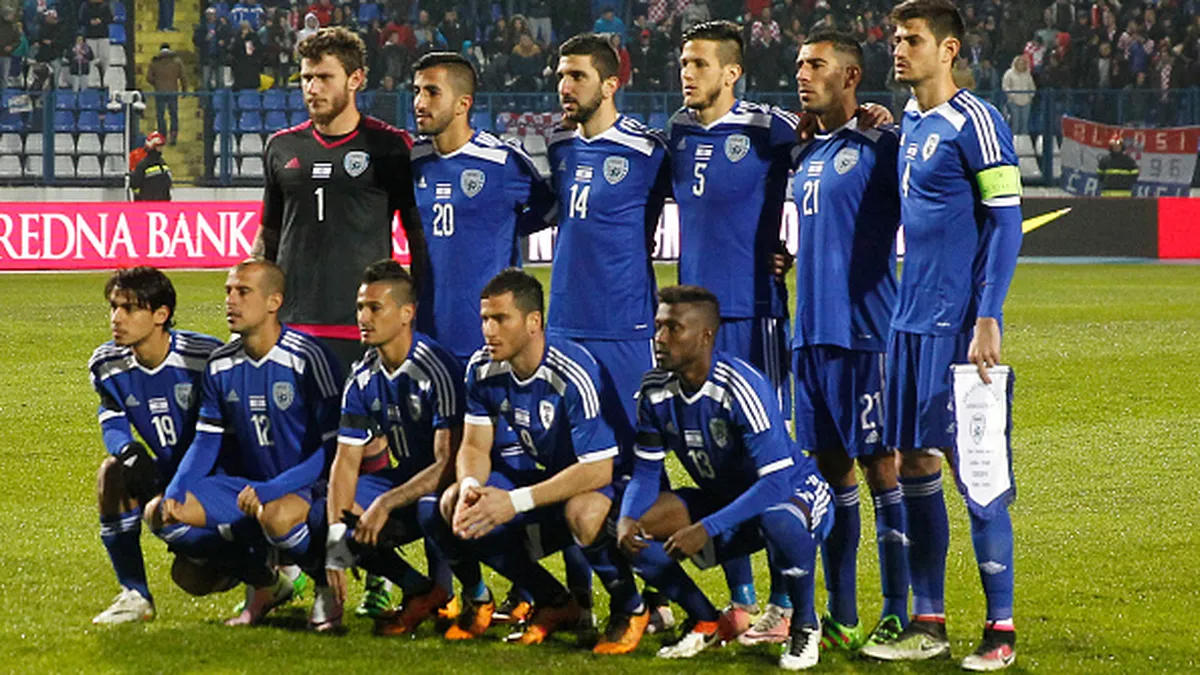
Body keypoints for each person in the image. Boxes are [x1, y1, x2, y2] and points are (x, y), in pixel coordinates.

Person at [858, 1, 1023, 670]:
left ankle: (1001, 629)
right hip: (907, 323)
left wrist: (988, 315)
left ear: (948, 49)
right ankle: (929, 621)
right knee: (914, 464)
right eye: (895, 39)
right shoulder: (913, 123)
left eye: (913, 39)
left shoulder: (977, 121)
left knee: (976, 472)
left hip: (958, 326)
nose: (899, 49)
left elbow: (1006, 222)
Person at [408, 51, 591, 629]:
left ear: (463, 102)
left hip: (492, 352)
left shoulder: (502, 162)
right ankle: (460, 591)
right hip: (430, 348)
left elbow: (545, 210)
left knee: (529, 466)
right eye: (416, 91)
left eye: (431, 92)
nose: (419, 102)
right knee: (444, 470)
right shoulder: (413, 164)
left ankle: (564, 594)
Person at [418, 269, 650, 655]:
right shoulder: (481, 368)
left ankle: (632, 607)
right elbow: (474, 446)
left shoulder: (572, 371)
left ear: (533, 322)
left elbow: (598, 469)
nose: (489, 330)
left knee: (583, 512)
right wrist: (471, 486)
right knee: (454, 502)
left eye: (500, 319)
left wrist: (514, 502)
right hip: (551, 478)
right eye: (485, 319)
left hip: (612, 482)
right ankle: (553, 601)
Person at [616, 286, 832, 669]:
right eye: (658, 326)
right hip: (727, 501)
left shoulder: (741, 387)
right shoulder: (654, 388)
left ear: (705, 336)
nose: (660, 338)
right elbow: (647, 469)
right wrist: (627, 517)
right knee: (632, 532)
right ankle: (705, 620)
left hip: (794, 492)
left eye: (673, 328)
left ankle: (804, 623)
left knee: (779, 520)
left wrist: (707, 528)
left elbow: (776, 483)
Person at [666, 19, 799, 644]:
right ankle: (741, 599)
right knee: (715, 460)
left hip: (754, 314)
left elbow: (830, 165)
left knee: (767, 457)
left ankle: (785, 601)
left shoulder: (770, 129)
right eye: (683, 63)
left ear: (732, 72)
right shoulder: (678, 130)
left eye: (698, 63)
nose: (687, 73)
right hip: (696, 324)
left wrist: (791, 248)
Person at [791, 31, 909, 654]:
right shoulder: (806, 149)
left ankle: (896, 610)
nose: (803, 75)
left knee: (882, 467)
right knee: (830, 471)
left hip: (865, 333)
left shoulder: (883, 145)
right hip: (809, 335)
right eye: (800, 65)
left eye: (816, 65)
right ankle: (843, 613)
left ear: (852, 75)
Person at [158, 259, 343, 628]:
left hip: (307, 484)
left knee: (275, 515)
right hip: (248, 485)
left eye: (243, 292)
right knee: (162, 515)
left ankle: (324, 585)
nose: (231, 300)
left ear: (274, 302)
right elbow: (206, 441)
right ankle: (263, 581)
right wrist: (176, 490)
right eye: (228, 291)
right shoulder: (220, 364)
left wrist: (272, 489)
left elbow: (332, 447)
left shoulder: (308, 357)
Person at [255, 26, 428, 376]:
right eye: (307, 78)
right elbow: (268, 236)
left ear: (355, 79)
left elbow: (419, 240)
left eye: (324, 78)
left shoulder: (391, 147)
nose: (312, 88)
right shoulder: (281, 147)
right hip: (291, 326)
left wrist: (418, 309)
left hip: (364, 326)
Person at [325, 260, 463, 634]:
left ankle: (472, 596)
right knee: (327, 514)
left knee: (433, 506)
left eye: (375, 308)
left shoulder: (435, 368)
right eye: (360, 307)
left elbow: (448, 463)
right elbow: (345, 461)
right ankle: (421, 590)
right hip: (404, 479)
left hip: (450, 481)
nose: (363, 318)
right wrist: (336, 544)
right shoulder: (362, 376)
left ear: (406, 314)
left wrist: (384, 504)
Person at [88, 268, 225, 625]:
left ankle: (272, 572)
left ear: (161, 314)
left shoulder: (206, 356)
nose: (116, 318)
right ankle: (135, 595)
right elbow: (112, 418)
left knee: (193, 578)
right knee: (111, 473)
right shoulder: (107, 363)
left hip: (217, 480)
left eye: (129, 309)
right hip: (165, 476)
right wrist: (129, 452)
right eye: (114, 307)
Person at [547, 33, 670, 429]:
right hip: (563, 323)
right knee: (566, 446)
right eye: (561, 76)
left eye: (578, 76)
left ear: (610, 85)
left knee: (636, 443)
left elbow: (705, 206)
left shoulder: (647, 150)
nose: (565, 87)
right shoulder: (560, 145)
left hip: (624, 326)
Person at [146, 43, 186, 145]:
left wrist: (157, 83)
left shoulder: (155, 62)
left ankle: (162, 135)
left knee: (160, 114)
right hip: (173, 91)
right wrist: (184, 89)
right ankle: (173, 135)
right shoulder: (177, 61)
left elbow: (149, 78)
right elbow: (183, 77)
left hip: (160, 91)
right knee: (173, 114)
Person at [130, 135, 172, 202]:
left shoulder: (162, 162)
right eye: (158, 146)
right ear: (152, 147)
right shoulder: (143, 165)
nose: (161, 148)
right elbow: (135, 184)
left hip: (164, 202)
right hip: (148, 203)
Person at [1001, 55, 1034, 137]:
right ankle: (1014, 142)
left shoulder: (1027, 74)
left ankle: (1024, 142)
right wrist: (1012, 95)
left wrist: (1030, 96)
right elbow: (1005, 86)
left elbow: (1032, 86)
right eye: (1019, 63)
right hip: (1014, 102)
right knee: (1015, 123)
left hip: (1026, 102)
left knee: (1025, 123)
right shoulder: (1009, 73)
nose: (1021, 65)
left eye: (1023, 63)